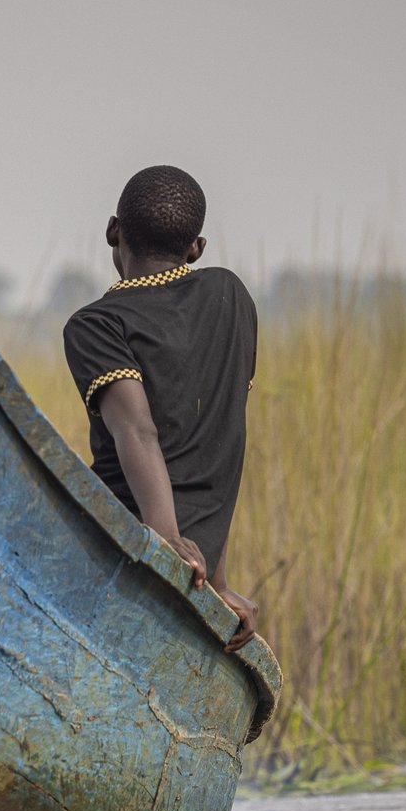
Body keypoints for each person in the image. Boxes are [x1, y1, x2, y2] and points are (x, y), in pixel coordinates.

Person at [61, 165, 261, 652]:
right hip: (196, 562)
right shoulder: (230, 295)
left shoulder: (95, 325)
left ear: (113, 230)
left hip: (121, 543)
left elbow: (137, 431)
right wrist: (214, 576)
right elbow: (219, 442)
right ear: (196, 248)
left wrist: (165, 540)